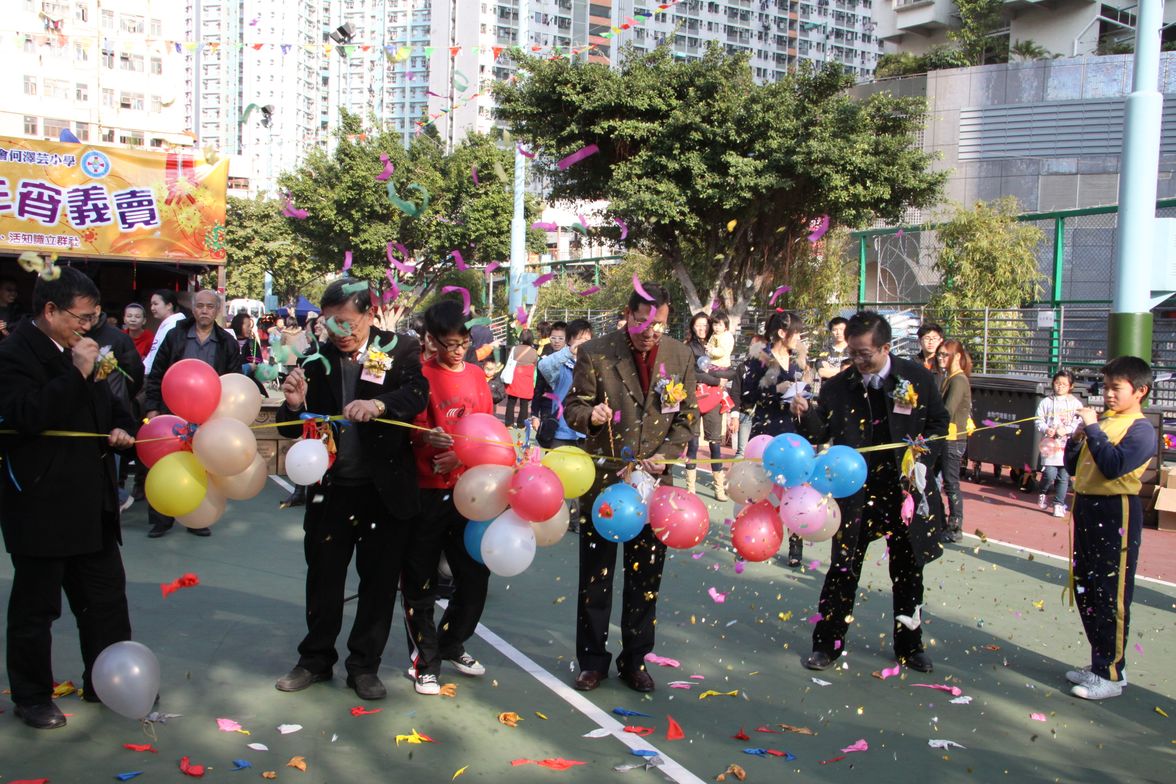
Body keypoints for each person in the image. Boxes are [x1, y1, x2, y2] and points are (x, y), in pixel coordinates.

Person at [274, 279, 428, 701]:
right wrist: (293, 404)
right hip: (331, 491)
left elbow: (417, 393)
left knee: (378, 583)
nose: (339, 332)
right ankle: (315, 659)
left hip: (383, 491)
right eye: (330, 324)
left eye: (346, 323)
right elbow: (292, 429)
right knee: (323, 578)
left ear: (369, 314)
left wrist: (379, 404)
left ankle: (364, 666)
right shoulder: (315, 358)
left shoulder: (400, 348)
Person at [0, 267, 136, 729]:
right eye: (81, 317)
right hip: (41, 502)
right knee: (36, 609)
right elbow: (26, 415)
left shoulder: (89, 352)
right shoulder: (14, 354)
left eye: (94, 318)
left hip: (92, 501)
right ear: (50, 310)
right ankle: (32, 696)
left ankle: (108, 681)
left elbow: (113, 408)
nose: (88, 327)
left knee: (105, 600)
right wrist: (77, 372)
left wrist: (121, 428)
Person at [791, 311, 948, 673]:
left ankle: (910, 646)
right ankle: (827, 644)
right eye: (853, 353)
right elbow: (820, 432)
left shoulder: (917, 377)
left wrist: (922, 456)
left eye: (865, 354)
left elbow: (939, 422)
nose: (858, 361)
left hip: (903, 491)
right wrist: (805, 413)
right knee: (843, 569)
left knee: (909, 572)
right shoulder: (838, 386)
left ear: (886, 348)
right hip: (855, 494)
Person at [564, 282, 698, 693]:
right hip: (605, 483)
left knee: (646, 578)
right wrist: (591, 416)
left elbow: (687, 418)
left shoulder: (680, 355)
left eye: (658, 324)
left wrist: (667, 455)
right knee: (596, 576)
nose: (649, 332)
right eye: (642, 322)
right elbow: (572, 407)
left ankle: (635, 659)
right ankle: (592, 661)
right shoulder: (597, 352)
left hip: (654, 485)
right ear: (627, 315)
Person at [401, 300, 494, 695]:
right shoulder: (420, 376)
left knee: (474, 577)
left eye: (463, 343)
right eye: (449, 343)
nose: (457, 351)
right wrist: (427, 438)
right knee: (420, 581)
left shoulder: (476, 375)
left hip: (470, 493)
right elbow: (407, 429)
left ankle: (452, 642)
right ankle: (425, 662)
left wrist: (461, 454)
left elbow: (489, 431)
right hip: (426, 493)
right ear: (431, 340)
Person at [1063, 356, 1156, 701]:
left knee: (1110, 593)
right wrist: (1076, 438)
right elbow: (1074, 466)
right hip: (1086, 507)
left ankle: (1111, 674)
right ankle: (1101, 662)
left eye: (1116, 388)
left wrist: (1092, 429)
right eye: (1106, 387)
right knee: (1086, 588)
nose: (1108, 394)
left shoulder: (1141, 429)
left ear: (1140, 391)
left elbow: (1113, 466)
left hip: (1116, 510)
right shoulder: (1103, 422)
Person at [142, 290, 242, 538]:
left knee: (204, 466)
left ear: (217, 310)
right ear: (193, 308)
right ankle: (161, 518)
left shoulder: (227, 342)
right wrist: (153, 408)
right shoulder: (175, 336)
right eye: (200, 306)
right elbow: (157, 374)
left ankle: (198, 518)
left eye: (210, 306)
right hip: (172, 414)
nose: (204, 310)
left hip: (210, 417)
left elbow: (235, 380)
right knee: (166, 463)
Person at [742, 310, 811, 567]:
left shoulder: (798, 361)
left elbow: (807, 389)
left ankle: (795, 543)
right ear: (782, 333)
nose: (799, 338)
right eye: (797, 333)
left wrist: (803, 394)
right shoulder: (760, 358)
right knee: (760, 484)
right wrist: (775, 390)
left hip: (792, 430)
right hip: (766, 429)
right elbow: (747, 395)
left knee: (795, 486)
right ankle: (752, 536)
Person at [85, 302, 145, 513]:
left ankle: (115, 501)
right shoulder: (71, 335)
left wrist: (122, 398)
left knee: (111, 466)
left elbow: (135, 373)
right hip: (81, 414)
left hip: (112, 414)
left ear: (97, 309)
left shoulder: (118, 339)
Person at [537, 318, 594, 530]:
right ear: (569, 340)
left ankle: (575, 520)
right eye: (579, 339)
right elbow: (543, 366)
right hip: (561, 432)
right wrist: (570, 351)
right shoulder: (560, 365)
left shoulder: (595, 366)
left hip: (585, 431)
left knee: (582, 478)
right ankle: (550, 517)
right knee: (555, 478)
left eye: (588, 339)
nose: (584, 343)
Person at [685, 312, 736, 501]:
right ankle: (690, 488)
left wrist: (719, 377)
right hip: (694, 399)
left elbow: (730, 371)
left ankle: (718, 489)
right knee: (693, 443)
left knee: (715, 443)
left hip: (714, 400)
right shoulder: (689, 347)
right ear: (692, 327)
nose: (702, 328)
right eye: (698, 325)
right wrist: (716, 379)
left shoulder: (719, 344)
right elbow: (693, 373)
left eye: (705, 325)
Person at [936, 339, 972, 544]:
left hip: (953, 439)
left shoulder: (958, 380)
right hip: (945, 438)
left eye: (945, 354)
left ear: (957, 356)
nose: (940, 358)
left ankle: (955, 527)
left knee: (950, 483)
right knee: (930, 479)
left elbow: (947, 411)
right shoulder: (948, 378)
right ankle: (939, 521)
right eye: (939, 354)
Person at [1036, 369, 1082, 519]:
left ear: (1071, 386)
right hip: (1049, 445)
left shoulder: (1075, 404)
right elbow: (1038, 420)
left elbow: (1078, 423)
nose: (1060, 386)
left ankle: (1058, 504)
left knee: (1063, 476)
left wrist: (1067, 430)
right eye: (1057, 383)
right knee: (1049, 474)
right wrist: (1046, 429)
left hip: (1066, 445)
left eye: (1064, 384)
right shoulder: (1046, 402)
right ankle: (1043, 491)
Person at [730, 334, 766, 459]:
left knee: (763, 453)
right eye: (752, 345)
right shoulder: (743, 367)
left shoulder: (769, 368)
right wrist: (734, 416)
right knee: (742, 452)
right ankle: (736, 472)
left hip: (763, 416)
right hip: (746, 414)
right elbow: (735, 392)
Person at [143, 289, 185, 375]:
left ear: (169, 305)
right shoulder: (167, 324)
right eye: (151, 304)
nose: (152, 308)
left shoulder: (173, 326)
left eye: (155, 304)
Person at [503, 329, 538, 429]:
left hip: (514, 378)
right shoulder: (534, 352)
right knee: (524, 403)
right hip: (527, 379)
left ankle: (509, 423)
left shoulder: (514, 349)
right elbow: (535, 364)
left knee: (511, 401)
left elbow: (509, 360)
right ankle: (521, 424)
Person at [0, 274, 21, 340]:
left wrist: (4, 331)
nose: (13, 293)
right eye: (9, 290)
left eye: (15, 290)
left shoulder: (18, 311)